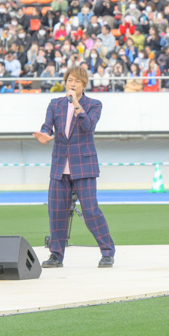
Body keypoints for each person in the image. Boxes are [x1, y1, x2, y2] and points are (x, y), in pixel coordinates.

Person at [33, 66, 115, 268]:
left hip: (84, 166)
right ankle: (56, 255)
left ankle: (107, 252)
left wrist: (76, 104)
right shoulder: (55, 104)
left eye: (77, 81)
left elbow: (88, 127)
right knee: (56, 211)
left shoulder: (94, 104)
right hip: (59, 166)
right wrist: (44, 134)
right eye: (70, 79)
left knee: (90, 210)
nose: (72, 84)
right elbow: (47, 125)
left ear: (84, 84)